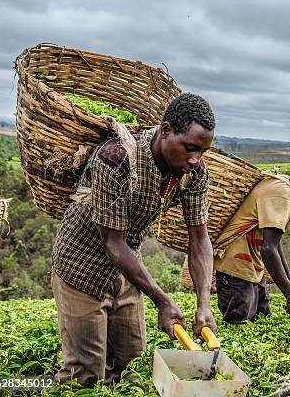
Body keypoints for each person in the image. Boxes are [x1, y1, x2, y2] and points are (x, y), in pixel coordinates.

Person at [50, 93, 217, 387]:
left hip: (127, 270)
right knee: (84, 375)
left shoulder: (194, 173)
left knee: (132, 367)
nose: (196, 159)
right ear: (166, 131)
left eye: (202, 151)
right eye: (190, 148)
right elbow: (113, 242)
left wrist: (204, 304)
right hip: (81, 265)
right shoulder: (116, 159)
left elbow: (199, 240)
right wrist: (163, 301)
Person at [213, 152, 290, 324]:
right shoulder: (281, 192)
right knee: (239, 326)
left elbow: (274, 243)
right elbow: (268, 249)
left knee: (261, 320)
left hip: (252, 268)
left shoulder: (284, 188)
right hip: (236, 267)